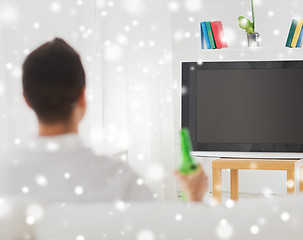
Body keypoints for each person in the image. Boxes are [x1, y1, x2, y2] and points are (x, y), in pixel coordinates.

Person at [0, 38, 208, 203]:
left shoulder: (5, 176)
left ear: (26, 100)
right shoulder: (121, 181)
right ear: (83, 97)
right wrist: (194, 198)